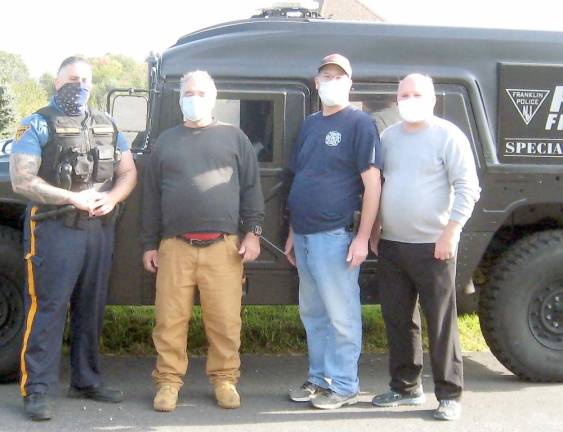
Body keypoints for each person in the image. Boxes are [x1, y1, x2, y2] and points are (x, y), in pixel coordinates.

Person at [9, 56, 137, 421]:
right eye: (71, 79)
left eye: (84, 80)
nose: (78, 86)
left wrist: (110, 198)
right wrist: (72, 198)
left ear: (91, 86)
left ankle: (86, 379)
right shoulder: (36, 124)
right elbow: (22, 180)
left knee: (91, 307)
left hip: (98, 230)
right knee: (48, 308)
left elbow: (128, 171)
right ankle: (37, 389)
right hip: (53, 228)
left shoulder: (107, 123)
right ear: (56, 82)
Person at [141, 70, 264, 412]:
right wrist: (150, 244)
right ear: (180, 97)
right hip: (174, 247)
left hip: (224, 248)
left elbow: (252, 190)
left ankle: (225, 380)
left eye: (200, 92)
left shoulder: (234, 138)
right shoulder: (165, 141)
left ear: (213, 97)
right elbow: (150, 198)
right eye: (187, 92)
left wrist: (253, 234)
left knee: (225, 321)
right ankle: (167, 382)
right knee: (169, 320)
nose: (193, 98)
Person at [370, 73, 481, 421]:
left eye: (417, 94)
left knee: (441, 321)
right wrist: (374, 229)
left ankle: (449, 395)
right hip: (392, 244)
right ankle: (405, 387)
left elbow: (468, 188)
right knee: (399, 319)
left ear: (432, 99)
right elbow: (379, 185)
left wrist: (449, 233)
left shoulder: (449, 136)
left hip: (434, 247)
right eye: (404, 94)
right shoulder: (389, 137)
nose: (409, 99)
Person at [285, 54, 382, 410]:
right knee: (313, 312)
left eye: (339, 77)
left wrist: (361, 237)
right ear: (316, 82)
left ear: (350, 84)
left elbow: (372, 186)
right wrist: (294, 232)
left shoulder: (360, 124)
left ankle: (344, 384)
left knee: (342, 314)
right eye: (326, 75)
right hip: (306, 235)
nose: (332, 81)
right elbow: (302, 177)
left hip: (335, 236)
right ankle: (318, 378)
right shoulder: (310, 125)